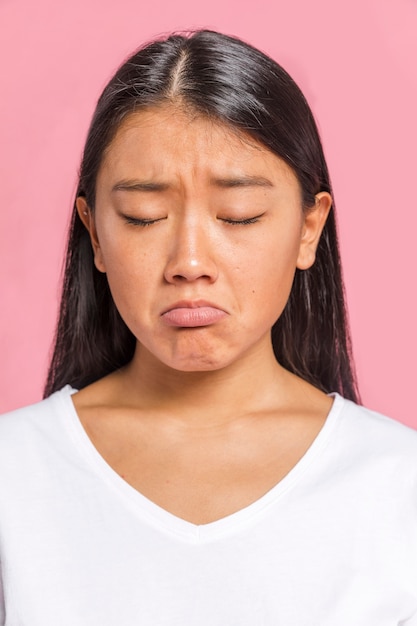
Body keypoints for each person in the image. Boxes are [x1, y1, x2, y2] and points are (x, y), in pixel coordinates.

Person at [0, 29, 416, 625]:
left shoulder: (400, 485)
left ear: (308, 228)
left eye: (238, 216)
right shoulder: (12, 475)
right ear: (94, 231)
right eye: (144, 218)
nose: (189, 264)